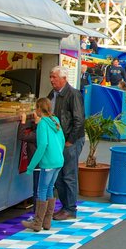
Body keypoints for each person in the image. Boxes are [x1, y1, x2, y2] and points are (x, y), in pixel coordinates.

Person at [47, 66, 85, 221]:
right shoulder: (53, 94)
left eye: (54, 77)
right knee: (59, 176)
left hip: (70, 140)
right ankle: (66, 206)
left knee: (68, 174)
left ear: (63, 78)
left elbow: (79, 120)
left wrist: (70, 140)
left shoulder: (73, 94)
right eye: (51, 76)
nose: (51, 80)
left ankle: (70, 208)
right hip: (59, 140)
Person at [22, 97, 65, 232]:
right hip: (58, 161)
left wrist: (31, 166)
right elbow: (63, 140)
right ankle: (47, 222)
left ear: (39, 109)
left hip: (48, 163)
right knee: (50, 189)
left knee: (41, 190)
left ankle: (37, 222)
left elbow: (42, 146)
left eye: (36, 108)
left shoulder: (42, 124)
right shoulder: (55, 120)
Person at [17, 108, 40, 212]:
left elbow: (21, 136)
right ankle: (45, 217)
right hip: (51, 164)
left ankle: (38, 216)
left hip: (38, 165)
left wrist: (23, 121)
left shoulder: (37, 134)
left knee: (38, 190)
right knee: (46, 189)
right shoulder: (51, 127)